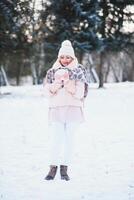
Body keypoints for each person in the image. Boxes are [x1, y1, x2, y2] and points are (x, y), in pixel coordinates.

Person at [43, 40, 88, 181]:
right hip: (56, 109)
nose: (65, 60)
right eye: (63, 57)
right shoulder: (52, 72)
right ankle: (52, 168)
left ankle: (64, 168)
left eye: (68, 57)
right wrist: (56, 84)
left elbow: (80, 94)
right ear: (59, 57)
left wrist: (68, 83)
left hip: (73, 109)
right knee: (56, 140)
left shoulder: (78, 71)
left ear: (73, 58)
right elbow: (46, 92)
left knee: (70, 140)